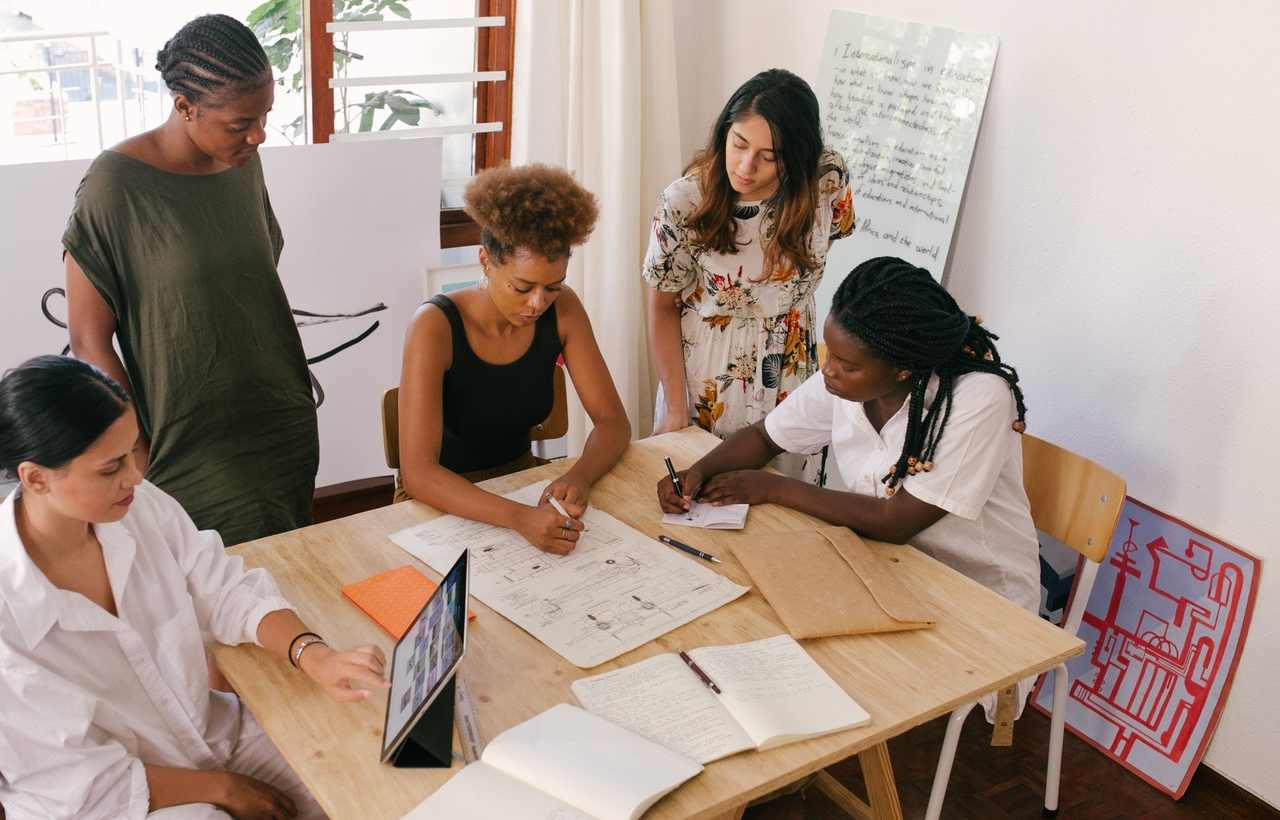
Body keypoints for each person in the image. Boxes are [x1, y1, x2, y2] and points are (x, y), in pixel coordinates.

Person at [0, 355, 388, 819]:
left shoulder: (136, 506)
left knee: (363, 776)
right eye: (111, 467)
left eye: (134, 451)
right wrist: (224, 790)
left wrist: (314, 654)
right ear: (36, 478)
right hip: (109, 801)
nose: (136, 476)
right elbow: (76, 780)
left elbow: (224, 589)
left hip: (211, 734)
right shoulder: (9, 612)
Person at [657, 257, 1040, 717]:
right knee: (756, 616)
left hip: (975, 597)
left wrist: (774, 489)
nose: (830, 370)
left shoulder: (976, 399)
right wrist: (696, 473)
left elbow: (897, 521)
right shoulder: (846, 380)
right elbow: (764, 437)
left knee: (805, 661)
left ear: (902, 369)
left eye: (847, 364)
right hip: (886, 566)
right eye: (829, 355)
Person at [62, 14, 317, 546]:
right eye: (239, 123)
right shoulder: (115, 186)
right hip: (187, 440)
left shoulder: (242, 162)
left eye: (265, 115)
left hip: (279, 420)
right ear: (185, 106)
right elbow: (89, 339)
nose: (258, 134)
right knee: (208, 592)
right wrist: (132, 447)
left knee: (289, 575)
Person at [398, 165, 631, 555]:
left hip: (520, 485)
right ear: (486, 261)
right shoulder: (434, 326)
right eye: (522, 287)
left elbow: (613, 423)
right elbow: (419, 474)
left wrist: (580, 476)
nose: (538, 303)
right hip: (441, 503)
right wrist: (518, 517)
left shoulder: (564, 310)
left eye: (552, 288)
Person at [644, 68, 856, 480]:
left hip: (794, 368)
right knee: (700, 500)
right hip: (709, 374)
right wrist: (674, 408)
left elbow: (831, 236)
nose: (745, 165)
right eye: (738, 143)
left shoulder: (826, 179)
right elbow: (661, 306)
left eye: (769, 155)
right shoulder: (685, 201)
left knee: (788, 509)